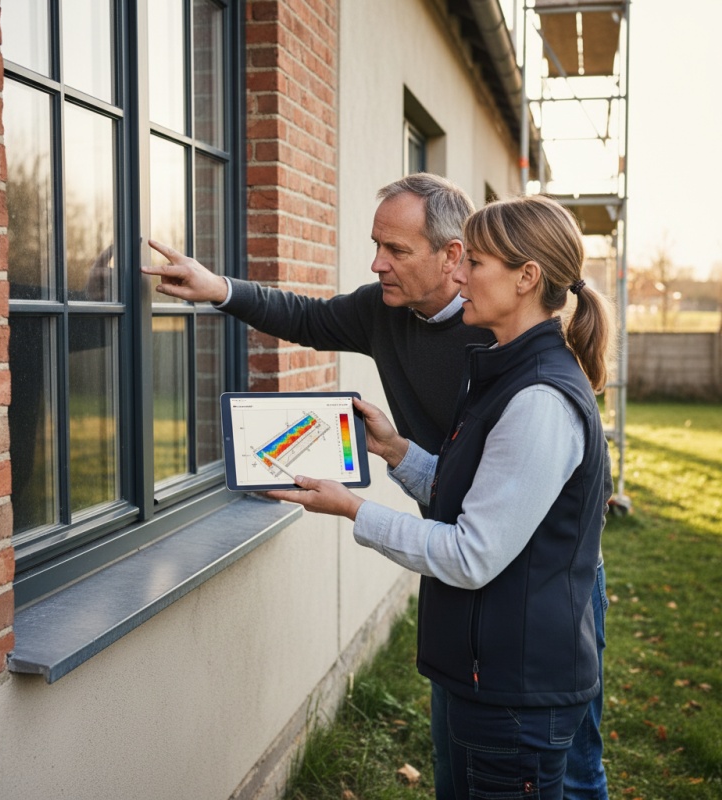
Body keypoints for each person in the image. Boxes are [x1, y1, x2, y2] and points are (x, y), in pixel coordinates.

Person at [142, 175, 609, 799]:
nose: (377, 263)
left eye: (398, 250)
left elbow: (482, 541)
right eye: (376, 245)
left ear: (459, 260)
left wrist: (353, 509)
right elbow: (305, 317)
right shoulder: (477, 344)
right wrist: (399, 451)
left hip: (526, 608)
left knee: (566, 769)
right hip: (475, 607)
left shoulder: (518, 366)